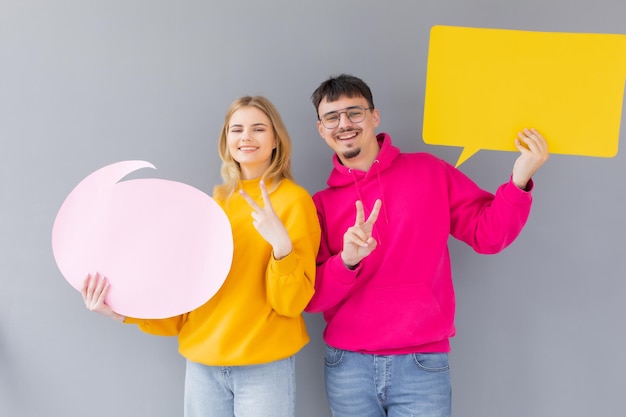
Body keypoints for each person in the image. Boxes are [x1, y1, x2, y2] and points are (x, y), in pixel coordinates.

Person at [305, 74, 549, 417]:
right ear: (321, 129)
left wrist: (520, 179)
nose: (343, 124)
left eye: (354, 113)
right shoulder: (319, 205)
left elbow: (488, 235)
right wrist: (346, 262)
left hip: (421, 363)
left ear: (375, 117)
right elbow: (311, 297)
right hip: (349, 367)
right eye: (332, 117)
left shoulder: (429, 172)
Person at [82, 95, 321, 417]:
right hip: (202, 366)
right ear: (226, 140)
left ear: (276, 139)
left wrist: (281, 247)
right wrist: (122, 312)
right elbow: (186, 299)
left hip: (264, 366)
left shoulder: (295, 201)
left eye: (258, 128)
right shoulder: (214, 203)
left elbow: (291, 304)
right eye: (236, 129)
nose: (246, 137)